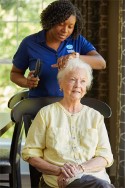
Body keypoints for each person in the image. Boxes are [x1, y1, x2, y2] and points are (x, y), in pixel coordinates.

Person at [22, 58, 114, 188]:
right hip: (57, 180)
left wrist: (80, 169)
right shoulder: (46, 114)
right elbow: (30, 154)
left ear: (86, 88)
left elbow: (105, 156)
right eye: (72, 80)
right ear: (61, 84)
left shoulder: (95, 116)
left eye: (83, 81)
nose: (78, 85)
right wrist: (60, 171)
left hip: (93, 178)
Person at [10, 0, 106, 98]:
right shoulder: (29, 43)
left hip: (69, 106)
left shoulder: (77, 40)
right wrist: (27, 82)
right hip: (39, 105)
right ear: (51, 21)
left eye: (70, 26)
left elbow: (101, 63)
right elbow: (14, 74)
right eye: (61, 24)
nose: (65, 30)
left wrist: (75, 57)